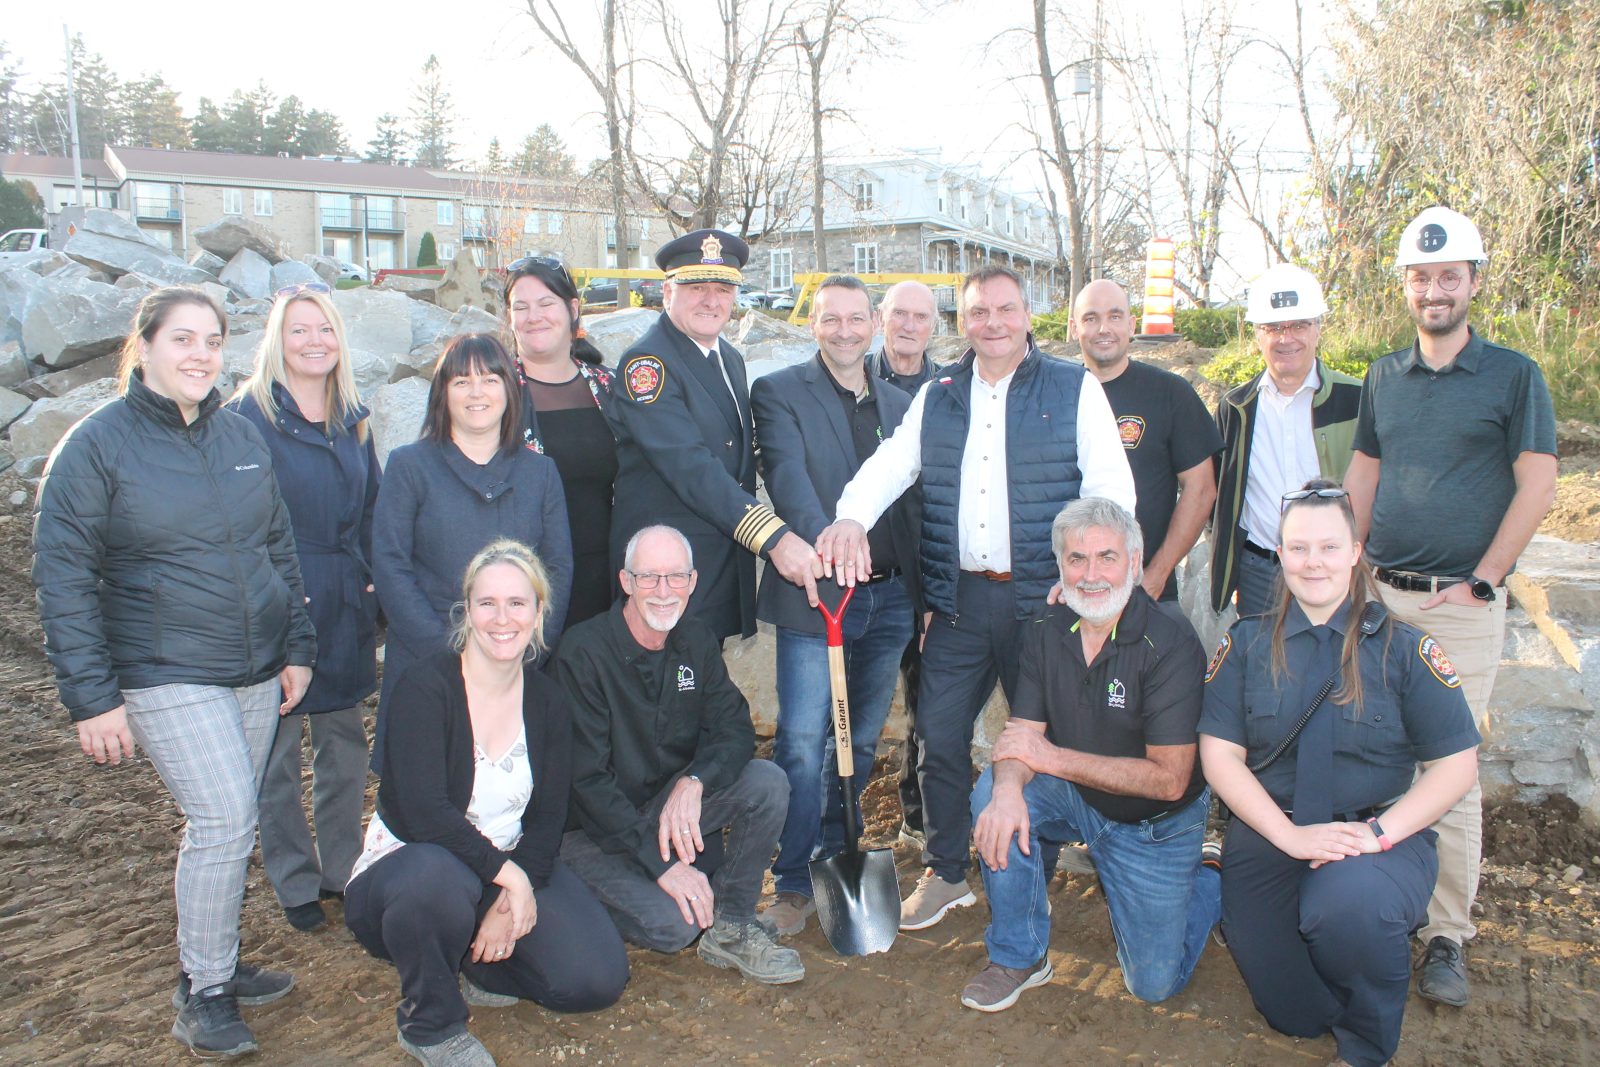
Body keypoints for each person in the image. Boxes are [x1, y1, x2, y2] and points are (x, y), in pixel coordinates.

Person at [32, 287, 316, 1058]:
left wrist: (298, 646)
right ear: (146, 346)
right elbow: (62, 575)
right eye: (182, 339)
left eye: (213, 340)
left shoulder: (239, 437)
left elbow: (278, 550)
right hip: (162, 669)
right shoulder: (97, 446)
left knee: (234, 819)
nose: (200, 354)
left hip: (255, 666)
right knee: (224, 817)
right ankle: (207, 994)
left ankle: (207, 963)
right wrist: (92, 699)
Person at [817, 265, 1136, 930]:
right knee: (937, 733)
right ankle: (945, 871)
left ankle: (1032, 870)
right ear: (963, 321)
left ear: (1027, 315)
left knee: (1042, 738)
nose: (992, 322)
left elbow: (1111, 489)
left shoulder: (1073, 389)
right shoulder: (940, 394)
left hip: (1045, 600)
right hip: (961, 599)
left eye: (1004, 309)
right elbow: (892, 464)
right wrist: (850, 516)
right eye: (978, 311)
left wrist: (1084, 571)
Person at [1344, 205, 1558, 1007]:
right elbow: (1365, 469)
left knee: (1451, 768)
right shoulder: (1384, 377)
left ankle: (1446, 937)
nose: (1435, 290)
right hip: (1384, 598)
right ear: (1407, 286)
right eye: (1422, 278)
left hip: (1460, 609)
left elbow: (1538, 482)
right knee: (1375, 754)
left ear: (1473, 282)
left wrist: (1485, 578)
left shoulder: (1513, 376)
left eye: (1449, 277)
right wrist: (1354, 563)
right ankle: (1382, 899)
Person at [1199, 479, 1480, 1067]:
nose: (1313, 562)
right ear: (1279, 555)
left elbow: (1454, 766)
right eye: (1298, 548)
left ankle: (1366, 1041)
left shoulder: (1405, 649)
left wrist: (1379, 836)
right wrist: (1289, 836)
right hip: (1276, 832)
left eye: (1329, 547)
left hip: (1372, 840)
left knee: (1347, 908)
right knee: (1292, 1015)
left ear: (1356, 552)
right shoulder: (1247, 644)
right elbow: (1219, 755)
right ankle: (1349, 955)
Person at [345, 540, 627, 1067]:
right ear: (468, 611)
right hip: (410, 876)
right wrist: (511, 880)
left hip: (497, 867)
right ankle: (431, 1024)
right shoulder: (424, 687)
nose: (503, 618)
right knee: (434, 877)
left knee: (595, 980)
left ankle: (474, 961)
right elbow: (429, 815)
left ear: (539, 613)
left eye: (518, 604)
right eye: (487, 603)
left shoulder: (546, 701)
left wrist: (512, 886)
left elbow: (548, 818)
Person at [964, 497, 1218, 1011]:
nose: (1091, 574)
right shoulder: (1045, 627)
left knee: (1152, 985)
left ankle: (1211, 878)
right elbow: (1021, 737)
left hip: (1154, 825)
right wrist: (1010, 789)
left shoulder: (1169, 640)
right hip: (1080, 796)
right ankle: (1019, 955)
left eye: (1107, 557)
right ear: (1060, 567)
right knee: (993, 792)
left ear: (1135, 562)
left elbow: (1169, 780)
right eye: (1076, 560)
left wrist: (1050, 759)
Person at [553, 525, 801, 984]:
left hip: (664, 810)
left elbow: (734, 729)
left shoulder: (695, 641)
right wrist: (662, 864)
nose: (663, 592)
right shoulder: (582, 654)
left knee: (766, 781)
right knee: (676, 927)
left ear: (693, 582)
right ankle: (573, 898)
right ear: (626, 582)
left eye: (676, 578)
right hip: (590, 832)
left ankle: (732, 925)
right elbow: (587, 784)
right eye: (649, 578)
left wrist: (696, 781)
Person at [750, 275, 919, 935]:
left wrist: (924, 594)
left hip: (888, 602)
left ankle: (835, 852)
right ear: (812, 324)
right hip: (816, 599)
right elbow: (788, 479)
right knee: (799, 740)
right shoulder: (781, 392)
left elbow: (912, 506)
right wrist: (830, 550)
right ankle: (792, 881)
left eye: (857, 318)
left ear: (874, 323)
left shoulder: (904, 404)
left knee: (857, 741)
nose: (845, 331)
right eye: (831, 319)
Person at [229, 282, 380, 934]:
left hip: (345, 599)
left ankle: (341, 868)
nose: (314, 341)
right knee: (278, 752)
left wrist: (374, 584)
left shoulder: (354, 415)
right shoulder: (248, 416)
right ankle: (293, 876)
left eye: (325, 329)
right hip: (278, 601)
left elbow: (371, 506)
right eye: (299, 329)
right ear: (276, 339)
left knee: (344, 747)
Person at [606, 228, 821, 643]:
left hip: (716, 562)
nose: (711, 300)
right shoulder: (647, 364)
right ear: (668, 292)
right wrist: (773, 536)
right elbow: (691, 467)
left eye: (723, 288)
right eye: (696, 287)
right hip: (666, 574)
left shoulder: (729, 358)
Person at [372, 334, 573, 774]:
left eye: (490, 379)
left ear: (511, 390)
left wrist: (527, 647)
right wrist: (453, 655)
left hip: (516, 662)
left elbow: (557, 567)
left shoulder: (540, 473)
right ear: (443, 392)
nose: (477, 392)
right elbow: (390, 565)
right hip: (428, 662)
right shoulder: (409, 466)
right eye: (461, 381)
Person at [1209, 264, 1362, 617]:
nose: (1286, 338)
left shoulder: (1357, 399)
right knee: (1265, 670)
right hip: (1260, 574)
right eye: (1273, 328)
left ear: (1318, 329)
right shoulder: (1236, 408)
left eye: (1298, 325)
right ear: (1258, 336)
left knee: (1338, 668)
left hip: (1337, 571)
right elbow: (1217, 495)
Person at [1072, 279, 1220, 619]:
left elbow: (1200, 489)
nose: (1103, 328)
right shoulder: (1057, 398)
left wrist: (1157, 574)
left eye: (1114, 316)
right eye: (1091, 318)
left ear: (1131, 325)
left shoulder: (1170, 393)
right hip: (1072, 593)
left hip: (1148, 593)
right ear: (1074, 327)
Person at [503, 256, 619, 627]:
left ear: (572, 309)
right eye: (521, 307)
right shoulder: (493, 392)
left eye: (546, 303)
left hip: (606, 583)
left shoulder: (610, 388)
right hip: (523, 585)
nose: (533, 316)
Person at [866, 279, 938, 849]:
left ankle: (917, 816)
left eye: (922, 316)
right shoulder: (855, 380)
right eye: (899, 314)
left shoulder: (949, 389)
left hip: (923, 569)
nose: (909, 325)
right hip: (862, 571)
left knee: (926, 701)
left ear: (935, 326)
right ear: (880, 319)